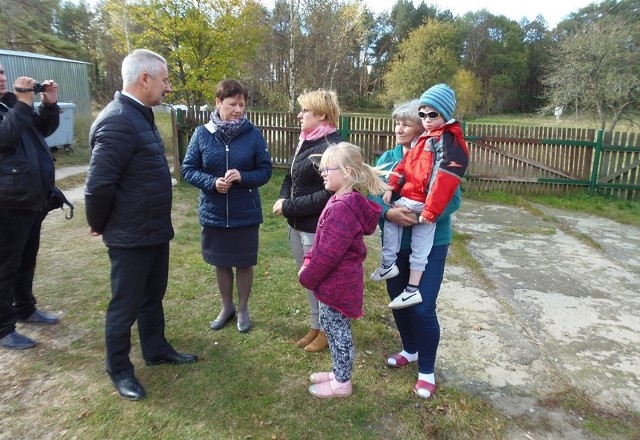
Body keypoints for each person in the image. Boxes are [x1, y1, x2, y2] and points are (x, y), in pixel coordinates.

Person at [85, 49, 198, 401]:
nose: (168, 87)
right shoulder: (118, 119)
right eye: (164, 79)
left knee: (152, 297)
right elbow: (99, 184)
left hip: (152, 229)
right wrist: (98, 223)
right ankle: (119, 369)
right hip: (130, 234)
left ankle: (155, 348)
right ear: (144, 78)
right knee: (126, 305)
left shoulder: (140, 116)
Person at [370, 85, 467, 399]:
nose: (399, 129)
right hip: (396, 245)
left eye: (406, 123)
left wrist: (425, 214)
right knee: (398, 301)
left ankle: (427, 370)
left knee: (423, 307)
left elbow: (453, 199)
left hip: (432, 242)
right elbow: (373, 197)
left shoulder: (440, 150)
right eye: (396, 123)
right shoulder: (388, 158)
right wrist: (389, 213)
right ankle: (409, 350)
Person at [181, 79, 272, 334]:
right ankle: (226, 307)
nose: (239, 109)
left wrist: (243, 177)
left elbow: (265, 170)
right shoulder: (201, 133)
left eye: (242, 104)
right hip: (214, 211)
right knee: (221, 262)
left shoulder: (253, 135)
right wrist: (212, 182)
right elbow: (188, 169)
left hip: (246, 212)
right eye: (233, 104)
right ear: (218, 103)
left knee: (244, 263)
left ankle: (243, 308)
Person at [298, 142, 385, 398]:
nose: (322, 173)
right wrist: (308, 259)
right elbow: (321, 243)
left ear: (346, 171)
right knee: (331, 326)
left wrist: (308, 276)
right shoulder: (340, 200)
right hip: (333, 284)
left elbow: (328, 254)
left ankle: (343, 382)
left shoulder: (342, 208)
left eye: (327, 169)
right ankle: (337, 372)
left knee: (338, 333)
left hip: (338, 285)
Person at [272, 89, 342, 352]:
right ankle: (316, 324)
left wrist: (289, 205)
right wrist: (282, 200)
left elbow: (329, 193)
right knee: (308, 278)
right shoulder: (305, 140)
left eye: (305, 111)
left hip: (317, 228)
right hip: (297, 225)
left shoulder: (332, 147)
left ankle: (327, 330)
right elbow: (290, 176)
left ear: (321, 115)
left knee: (322, 281)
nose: (300, 115)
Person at [0, 64, 61, 350]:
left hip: (30, 199)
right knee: (4, 266)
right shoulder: (16, 106)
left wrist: (49, 105)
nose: (1, 77)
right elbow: (5, 138)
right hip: (7, 204)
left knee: (26, 260)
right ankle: (3, 328)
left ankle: (25, 308)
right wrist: (24, 103)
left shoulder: (11, 104)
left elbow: (42, 130)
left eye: (1, 72)